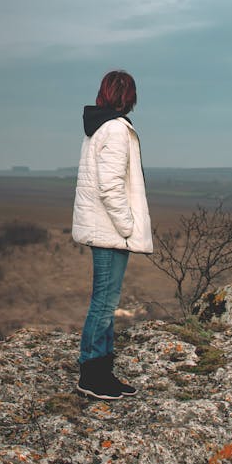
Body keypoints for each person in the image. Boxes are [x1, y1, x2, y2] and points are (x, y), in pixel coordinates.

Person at [72, 70, 153, 400]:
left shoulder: (99, 127)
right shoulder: (116, 129)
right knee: (104, 303)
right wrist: (127, 227)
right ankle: (91, 375)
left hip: (103, 228)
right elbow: (110, 186)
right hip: (109, 230)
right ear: (128, 96)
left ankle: (102, 372)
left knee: (107, 300)